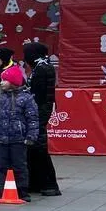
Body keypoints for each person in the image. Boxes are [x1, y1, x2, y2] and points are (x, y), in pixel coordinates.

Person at [0, 65, 39, 203]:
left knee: (19, 166)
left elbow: (32, 118)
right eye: (1, 80)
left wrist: (31, 136)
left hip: (19, 139)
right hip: (0, 138)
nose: (1, 82)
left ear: (14, 82)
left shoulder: (26, 98)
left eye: (5, 80)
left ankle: (22, 192)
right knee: (1, 166)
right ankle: (0, 192)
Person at [23, 41, 62, 196]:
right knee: (33, 148)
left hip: (38, 113)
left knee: (39, 149)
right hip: (39, 111)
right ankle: (36, 183)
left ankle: (49, 184)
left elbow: (37, 95)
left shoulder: (41, 69)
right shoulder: (43, 67)